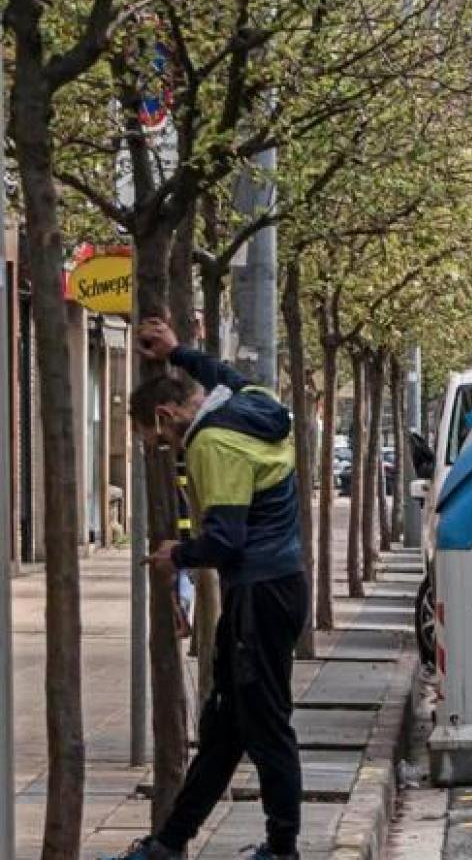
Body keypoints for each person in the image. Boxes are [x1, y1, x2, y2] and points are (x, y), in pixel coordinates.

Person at [111, 318, 308, 860]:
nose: (160, 449)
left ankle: (282, 848)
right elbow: (223, 375)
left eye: (156, 440)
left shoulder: (211, 444)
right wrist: (180, 352)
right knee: (225, 724)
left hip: (259, 593)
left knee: (265, 724)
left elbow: (225, 537)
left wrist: (177, 555)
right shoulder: (255, 406)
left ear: (165, 415)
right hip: (276, 587)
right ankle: (169, 843)